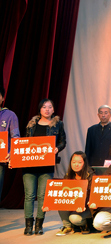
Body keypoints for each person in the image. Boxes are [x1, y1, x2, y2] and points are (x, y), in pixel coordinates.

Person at [19, 99, 66, 236]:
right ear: (40, 109)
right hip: (29, 165)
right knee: (29, 195)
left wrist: (57, 148)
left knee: (42, 196)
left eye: (50, 107)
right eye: (44, 107)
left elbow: (63, 141)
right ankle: (28, 225)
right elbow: (25, 143)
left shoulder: (58, 124)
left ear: (53, 110)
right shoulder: (31, 124)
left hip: (46, 165)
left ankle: (39, 225)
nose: (47, 109)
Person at [49, 151, 95, 236]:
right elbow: (63, 194)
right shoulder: (68, 176)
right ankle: (68, 227)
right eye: (74, 162)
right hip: (74, 205)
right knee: (60, 202)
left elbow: (93, 196)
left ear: (84, 163)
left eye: (79, 162)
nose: (76, 165)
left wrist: (82, 204)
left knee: (74, 218)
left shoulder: (91, 176)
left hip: (87, 207)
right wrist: (50, 205)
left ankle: (86, 224)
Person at [0, 85, 20, 201]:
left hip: (0, 159)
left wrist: (11, 152)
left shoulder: (10, 115)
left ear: (2, 98)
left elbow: (15, 136)